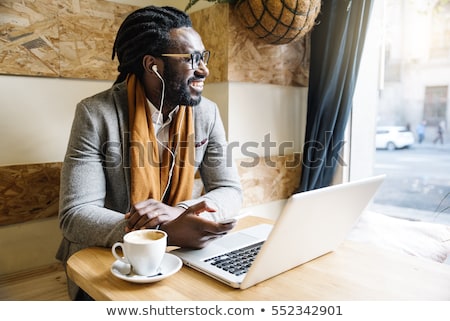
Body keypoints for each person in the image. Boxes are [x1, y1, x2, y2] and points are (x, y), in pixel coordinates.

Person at [56, 5, 243, 300]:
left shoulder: (207, 113)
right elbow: (75, 215)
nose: (204, 69)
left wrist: (180, 212)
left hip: (184, 256)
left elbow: (229, 188)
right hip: (111, 261)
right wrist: (161, 229)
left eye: (203, 57)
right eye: (191, 59)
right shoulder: (95, 114)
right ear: (153, 65)